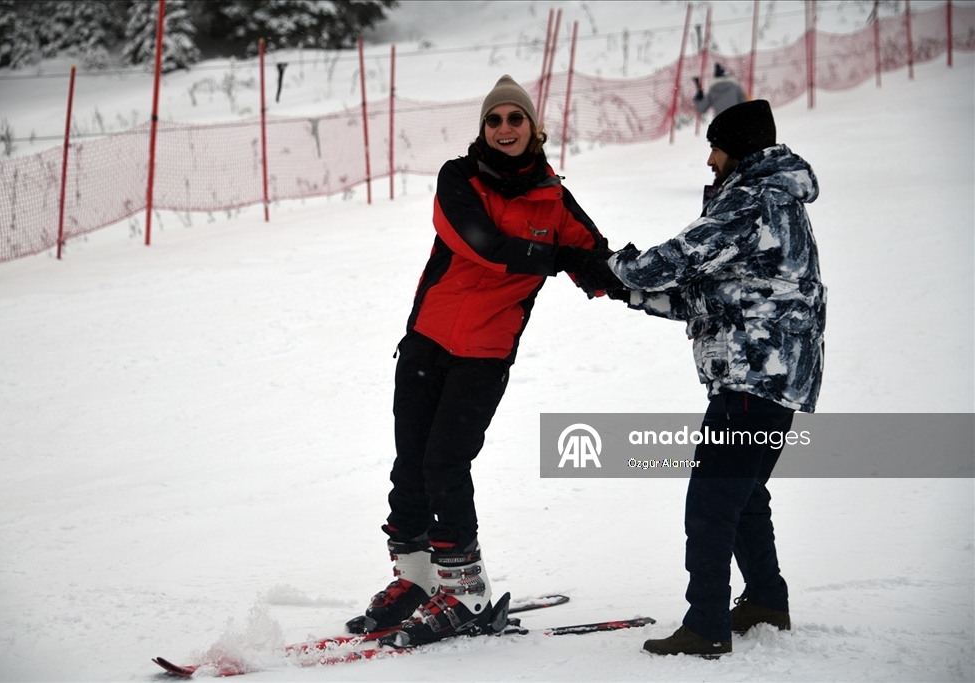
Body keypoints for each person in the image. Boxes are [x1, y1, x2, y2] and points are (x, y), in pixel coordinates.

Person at [345, 75, 609, 647]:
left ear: (534, 129)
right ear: (483, 129)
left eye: (515, 119)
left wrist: (660, 290)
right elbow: (484, 244)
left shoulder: (554, 202)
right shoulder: (458, 177)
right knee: (409, 464)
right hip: (427, 341)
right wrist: (559, 257)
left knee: (444, 463)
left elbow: (600, 262)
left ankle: (465, 594)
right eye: (495, 120)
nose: (505, 129)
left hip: (485, 355)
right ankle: (415, 583)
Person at [572, 100, 825, 658]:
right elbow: (707, 295)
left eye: (715, 147)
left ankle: (707, 623)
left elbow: (681, 257)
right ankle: (765, 600)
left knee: (711, 502)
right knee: (743, 495)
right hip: (776, 376)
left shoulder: (751, 199)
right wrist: (627, 291)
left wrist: (615, 267)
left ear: (739, 150)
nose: (709, 159)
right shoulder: (773, 201)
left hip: (754, 376)